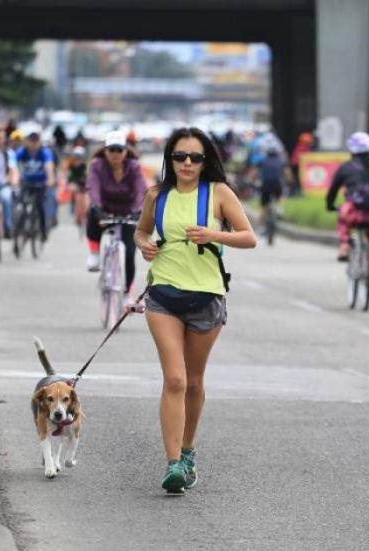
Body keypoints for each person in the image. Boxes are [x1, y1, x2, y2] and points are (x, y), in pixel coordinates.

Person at [133, 126, 256, 494]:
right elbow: (141, 232)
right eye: (180, 156)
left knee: (195, 381)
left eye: (196, 157)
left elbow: (248, 237)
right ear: (170, 159)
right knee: (175, 379)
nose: (187, 163)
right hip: (163, 295)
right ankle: (172, 464)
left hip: (206, 298)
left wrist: (214, 235)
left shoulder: (219, 193)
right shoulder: (157, 195)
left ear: (205, 162)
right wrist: (145, 246)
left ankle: (188, 452)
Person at [325, 132, 369, 299]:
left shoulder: (346, 167)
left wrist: (330, 205)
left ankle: (344, 246)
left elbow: (333, 191)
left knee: (343, 214)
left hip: (353, 215)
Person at [85, 131, 146, 298]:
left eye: (119, 149)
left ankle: (127, 292)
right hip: (105, 211)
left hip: (128, 213)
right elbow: (93, 187)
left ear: (126, 151)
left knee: (129, 253)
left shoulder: (134, 167)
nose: (115, 154)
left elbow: (141, 189)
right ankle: (94, 253)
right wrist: (97, 207)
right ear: (105, 151)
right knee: (91, 213)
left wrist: (138, 210)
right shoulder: (97, 165)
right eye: (112, 149)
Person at [15, 132, 57, 237]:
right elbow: (13, 165)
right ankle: (18, 230)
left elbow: (49, 166)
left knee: (40, 206)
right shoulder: (22, 152)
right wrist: (14, 177)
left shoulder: (44, 152)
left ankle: (43, 231)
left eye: (36, 142)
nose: (33, 145)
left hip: (41, 183)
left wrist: (50, 179)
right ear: (27, 142)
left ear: (39, 142)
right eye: (31, 142)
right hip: (26, 182)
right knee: (20, 205)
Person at [258, 146, 291, 232]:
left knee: (264, 206)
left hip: (265, 185)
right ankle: (279, 211)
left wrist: (251, 180)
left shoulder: (263, 160)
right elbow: (287, 173)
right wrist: (290, 181)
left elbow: (254, 172)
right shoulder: (281, 161)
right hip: (277, 184)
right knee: (280, 196)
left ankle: (261, 227)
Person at [289, 132, 314, 197]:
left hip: (295, 164)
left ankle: (295, 191)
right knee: (297, 179)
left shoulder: (300, 145)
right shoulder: (304, 147)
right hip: (297, 165)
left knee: (296, 178)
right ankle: (296, 192)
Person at [67, 145, 88, 220]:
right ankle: (72, 207)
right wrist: (70, 184)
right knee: (72, 190)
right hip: (76, 184)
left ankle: (87, 212)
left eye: (80, 157)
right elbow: (69, 177)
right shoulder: (71, 166)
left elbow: (88, 177)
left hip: (85, 185)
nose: (78, 159)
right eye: (76, 157)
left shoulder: (86, 166)